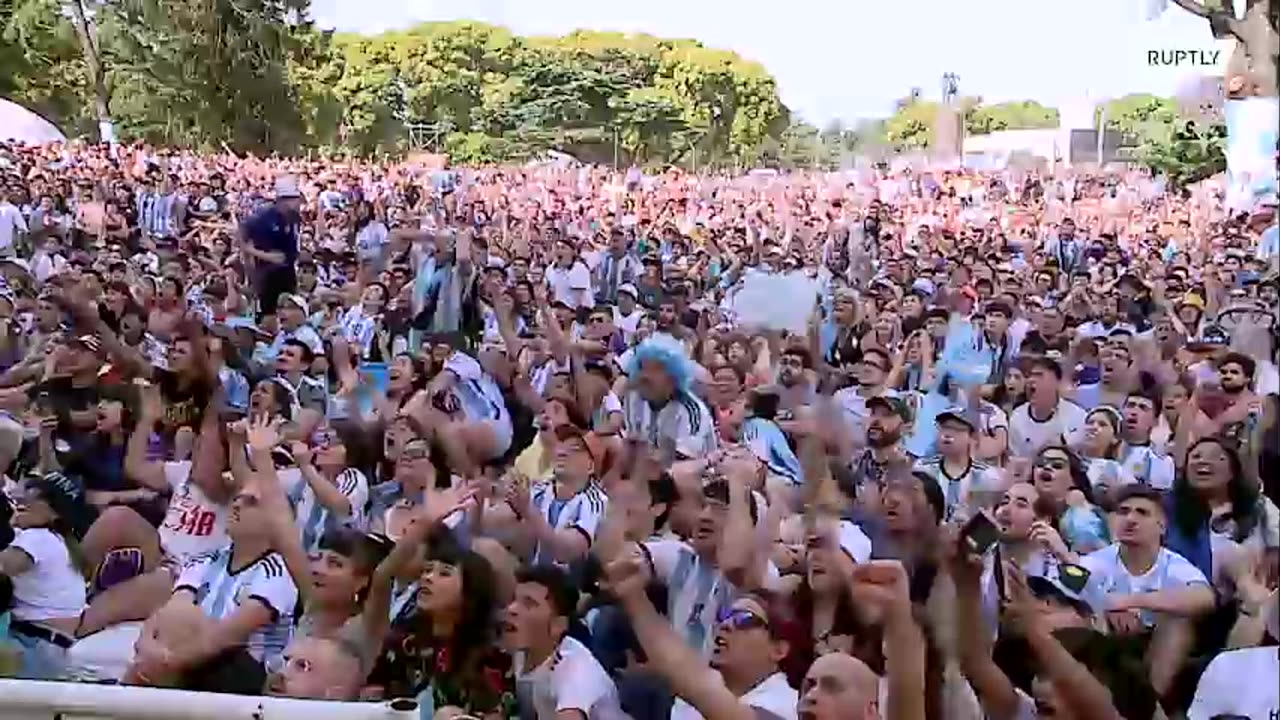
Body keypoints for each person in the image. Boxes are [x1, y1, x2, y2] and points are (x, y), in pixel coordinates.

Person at [1, 472, 94, 679]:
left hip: (34, 647)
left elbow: (2, 566)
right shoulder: (61, 543)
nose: (25, 497)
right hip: (52, 650)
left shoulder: (38, 539)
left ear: (56, 513)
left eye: (37, 495)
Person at [503, 563, 625, 720]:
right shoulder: (517, 654)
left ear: (557, 625)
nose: (511, 609)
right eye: (513, 599)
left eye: (529, 603)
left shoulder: (576, 670)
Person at [240, 176, 302, 316]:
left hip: (287, 271)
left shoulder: (294, 218)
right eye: (295, 199)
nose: (298, 203)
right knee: (269, 314)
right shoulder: (264, 218)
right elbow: (243, 230)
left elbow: (284, 257)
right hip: (267, 274)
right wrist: (249, 258)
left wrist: (251, 251)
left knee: (288, 309)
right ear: (283, 200)